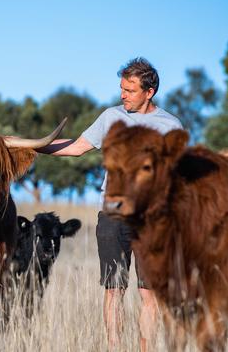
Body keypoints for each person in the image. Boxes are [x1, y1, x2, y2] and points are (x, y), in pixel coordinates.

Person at [36, 57, 183, 351]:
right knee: (114, 289)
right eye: (121, 88)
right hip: (113, 217)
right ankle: (114, 347)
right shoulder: (110, 117)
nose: (122, 95)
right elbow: (77, 148)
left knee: (149, 294)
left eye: (129, 90)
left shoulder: (170, 126)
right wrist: (34, 145)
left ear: (149, 92)